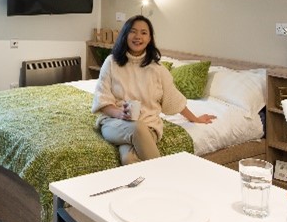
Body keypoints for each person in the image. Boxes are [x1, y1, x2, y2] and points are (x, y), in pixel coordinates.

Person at [92, 15, 215, 165]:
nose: (138, 36)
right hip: (114, 123)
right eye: (133, 31)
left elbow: (173, 99)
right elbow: (102, 99)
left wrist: (195, 119)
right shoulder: (111, 62)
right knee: (136, 128)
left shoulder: (157, 69)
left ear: (150, 39)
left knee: (128, 159)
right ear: (125, 35)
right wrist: (120, 114)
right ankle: (163, 178)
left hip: (148, 126)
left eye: (144, 33)